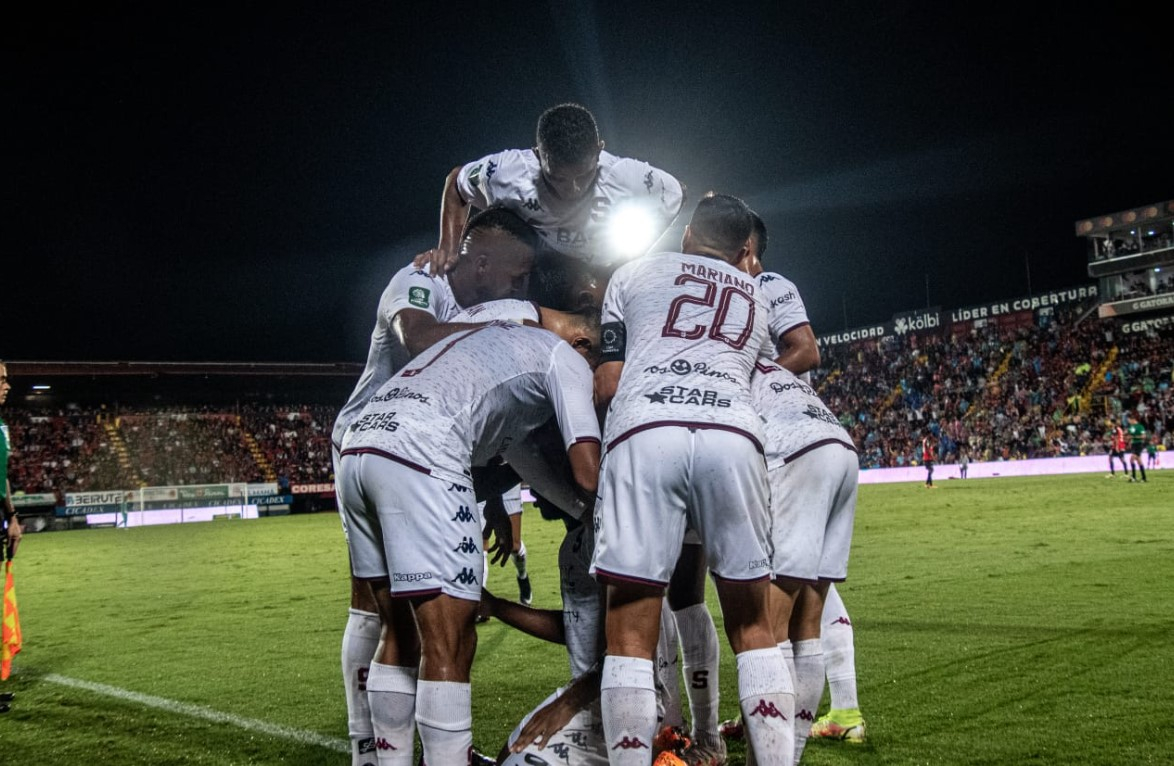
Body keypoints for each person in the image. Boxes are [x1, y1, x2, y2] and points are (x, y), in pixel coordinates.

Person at [336, 315, 602, 766]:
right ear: (583, 344)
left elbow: (499, 459)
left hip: (359, 446)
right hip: (423, 449)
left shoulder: (498, 343)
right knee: (450, 640)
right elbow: (587, 473)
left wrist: (498, 506)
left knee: (398, 633)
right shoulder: (567, 360)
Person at [331, 207, 540, 766]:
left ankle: (398, 751)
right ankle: (368, 748)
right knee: (384, 612)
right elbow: (419, 338)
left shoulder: (470, 306)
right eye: (515, 280)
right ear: (482, 263)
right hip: (375, 437)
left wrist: (491, 496)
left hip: (427, 452)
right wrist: (513, 323)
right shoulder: (420, 280)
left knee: (413, 618)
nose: (519, 292)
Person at [592, 194, 793, 766]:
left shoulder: (630, 274)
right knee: (753, 624)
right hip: (732, 434)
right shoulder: (759, 292)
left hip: (646, 429)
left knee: (629, 631)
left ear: (686, 234)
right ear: (744, 250)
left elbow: (608, 382)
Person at [418, 103, 686, 309]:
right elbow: (457, 182)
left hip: (594, 270)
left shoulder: (627, 176)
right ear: (538, 154)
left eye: (584, 176)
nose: (573, 189)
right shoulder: (509, 172)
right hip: (535, 271)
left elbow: (677, 194)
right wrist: (448, 249)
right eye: (557, 178)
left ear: (599, 150)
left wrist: (632, 261)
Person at [750, 361, 859, 763]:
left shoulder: (727, 360)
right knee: (807, 626)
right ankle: (791, 751)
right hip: (842, 448)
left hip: (795, 454)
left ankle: (778, 755)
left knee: (770, 629)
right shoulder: (778, 369)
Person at [0, 361, 22, 715]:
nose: (7, 385)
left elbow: (1, 477)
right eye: (1, 379)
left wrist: (12, 517)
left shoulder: (2, 427)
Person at [1126, 413, 1148, 483]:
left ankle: (1133, 477)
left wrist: (1133, 437)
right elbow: (1128, 434)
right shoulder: (1131, 427)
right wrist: (1128, 440)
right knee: (1139, 461)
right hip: (1133, 445)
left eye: (1129, 420)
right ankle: (1144, 478)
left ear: (1133, 419)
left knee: (1132, 459)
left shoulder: (1140, 426)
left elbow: (1144, 436)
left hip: (1139, 444)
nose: (1128, 422)